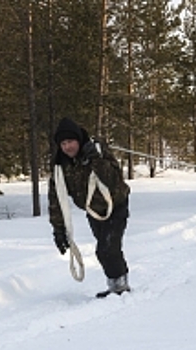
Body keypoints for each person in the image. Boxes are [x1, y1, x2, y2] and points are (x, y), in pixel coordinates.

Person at [48, 117, 131, 297]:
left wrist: (95, 159)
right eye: (63, 143)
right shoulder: (59, 167)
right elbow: (56, 201)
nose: (67, 147)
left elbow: (113, 180)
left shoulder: (98, 151)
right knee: (106, 249)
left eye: (70, 141)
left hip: (116, 205)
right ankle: (116, 284)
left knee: (107, 249)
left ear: (78, 139)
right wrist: (59, 230)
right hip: (93, 211)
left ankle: (119, 287)